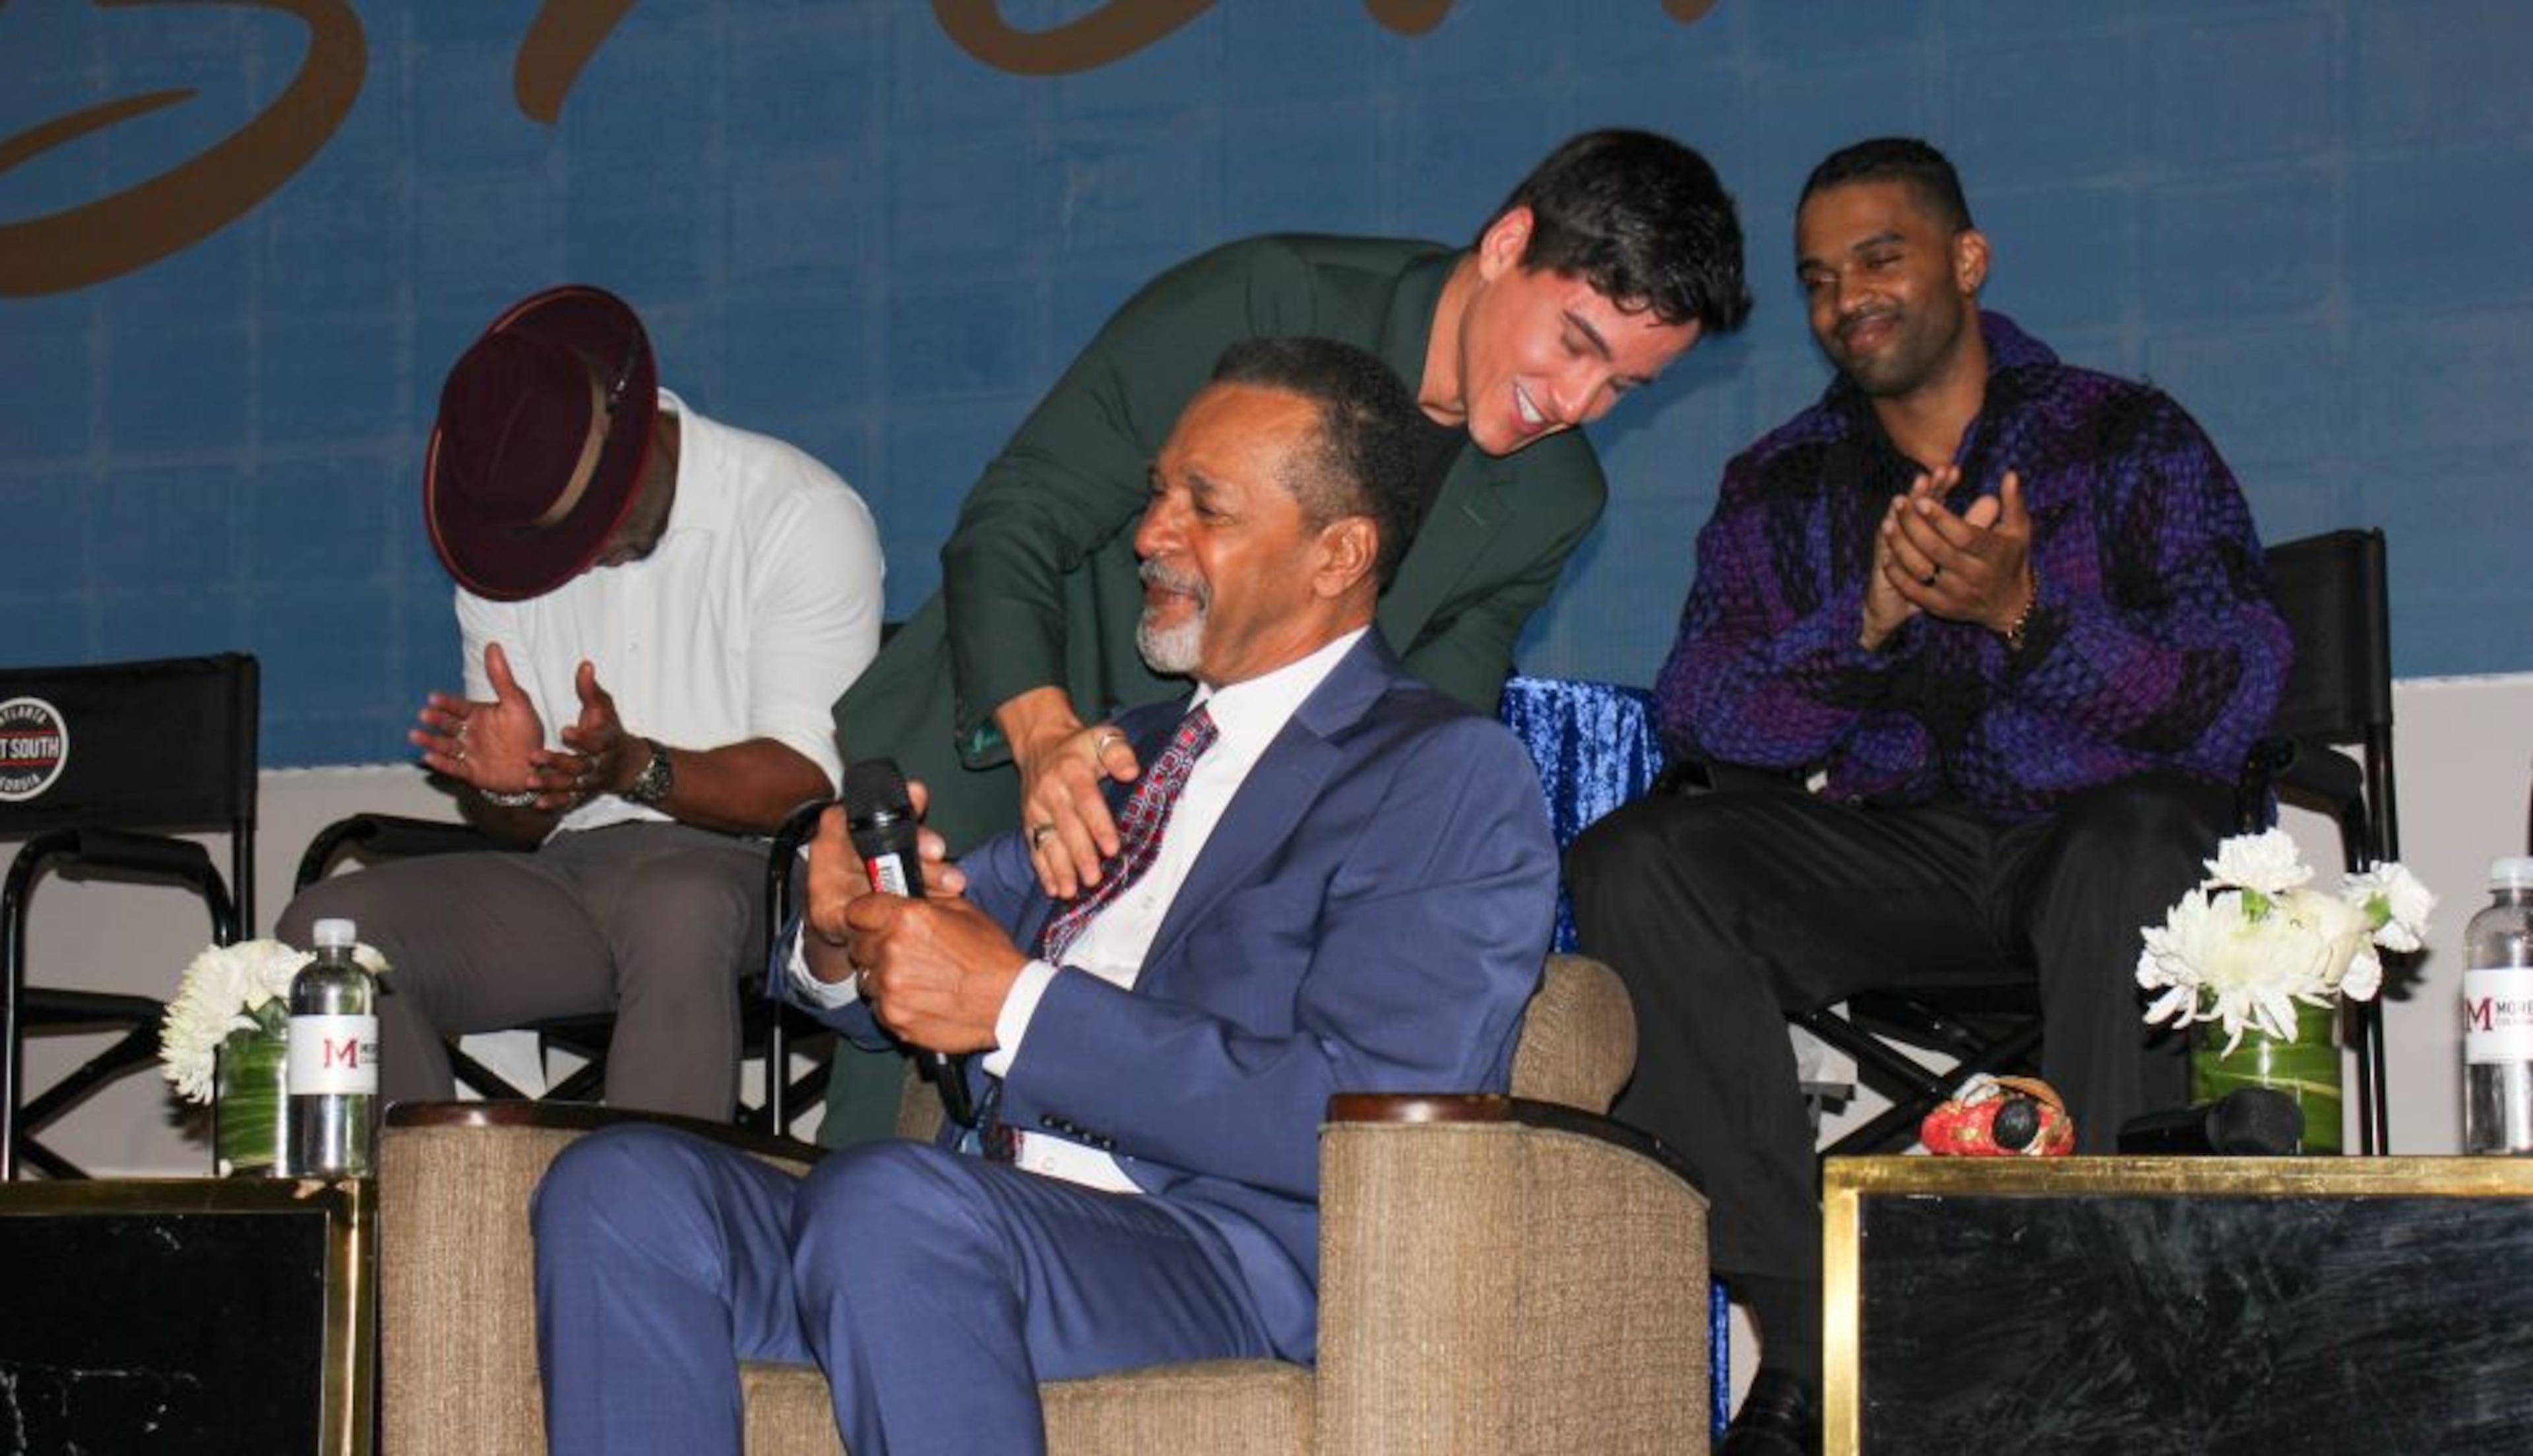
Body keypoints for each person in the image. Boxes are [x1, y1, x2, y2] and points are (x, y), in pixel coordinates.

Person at [530, 337, 1558, 1456]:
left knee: (888, 1202)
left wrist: (1018, 1006)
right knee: (619, 1186)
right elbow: (945, 942)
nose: (1150, 534)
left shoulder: (1438, 774)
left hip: (1212, 1251)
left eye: (1204, 507)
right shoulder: (1125, 753)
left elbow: (1374, 1114)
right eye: (1157, 494)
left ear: (1338, 553)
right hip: (968, 1225)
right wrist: (845, 931)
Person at [1565, 138, 2292, 1454]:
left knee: (2144, 840)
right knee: (1640, 859)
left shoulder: (2123, 436)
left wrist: (2025, 615)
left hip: (2097, 851)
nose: (1848, 298)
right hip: (1893, 861)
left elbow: (2232, 692)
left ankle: (2103, 1330)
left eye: (1880, 258)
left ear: (1967, 259)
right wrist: (1865, 624)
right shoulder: (1781, 483)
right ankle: (1813, 1344)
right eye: (1819, 279)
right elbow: (1706, 712)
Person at [819, 125, 1749, 1144]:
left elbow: (1414, 725)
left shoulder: (1552, 497)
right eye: (1575, 343)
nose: (1574, 404)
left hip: (1225, 844)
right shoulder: (1268, 301)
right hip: (1016, 738)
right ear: (1507, 244)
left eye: (1622, 388)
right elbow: (1019, 520)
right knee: (890, 1135)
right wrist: (1043, 736)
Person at [276, 284, 883, 1120]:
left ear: (633, 438)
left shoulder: (797, 513)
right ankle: (434, 1200)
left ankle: (650, 1205)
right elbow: (524, 826)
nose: (581, 557)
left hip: (755, 875)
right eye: (560, 540)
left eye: (592, 524)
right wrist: (513, 788)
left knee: (678, 904)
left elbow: (804, 783)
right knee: (332, 931)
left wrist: (634, 767)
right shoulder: (510, 550)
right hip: (573, 876)